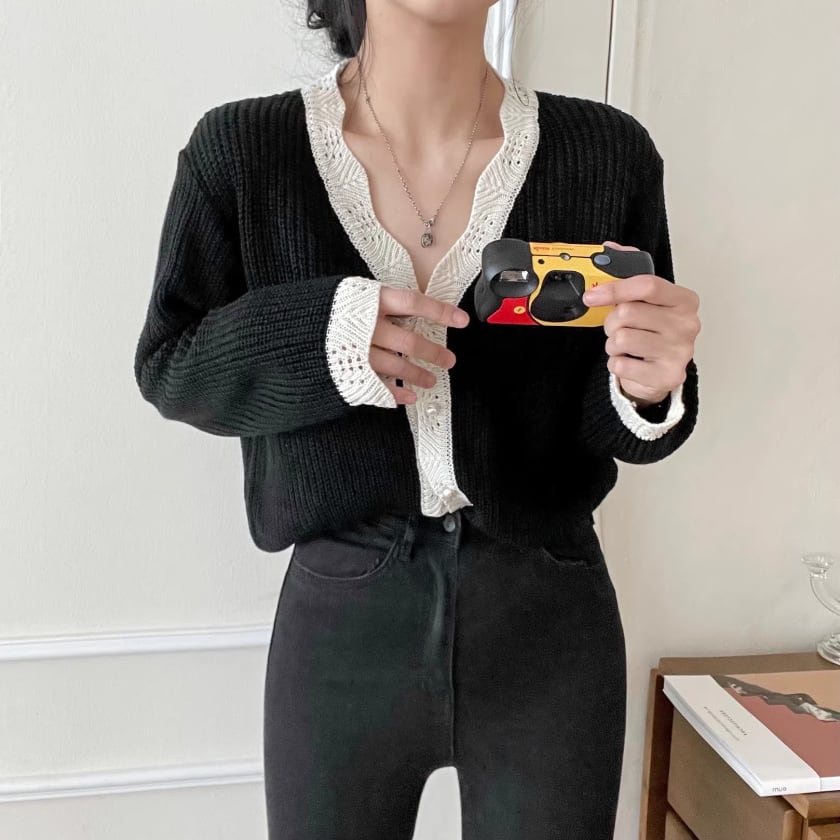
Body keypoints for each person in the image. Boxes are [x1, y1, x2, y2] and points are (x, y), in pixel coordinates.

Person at [133, 1, 701, 836]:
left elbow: (618, 418)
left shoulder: (607, 153)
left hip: (549, 625)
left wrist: (650, 387)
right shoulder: (244, 152)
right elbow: (170, 365)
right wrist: (323, 333)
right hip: (342, 623)